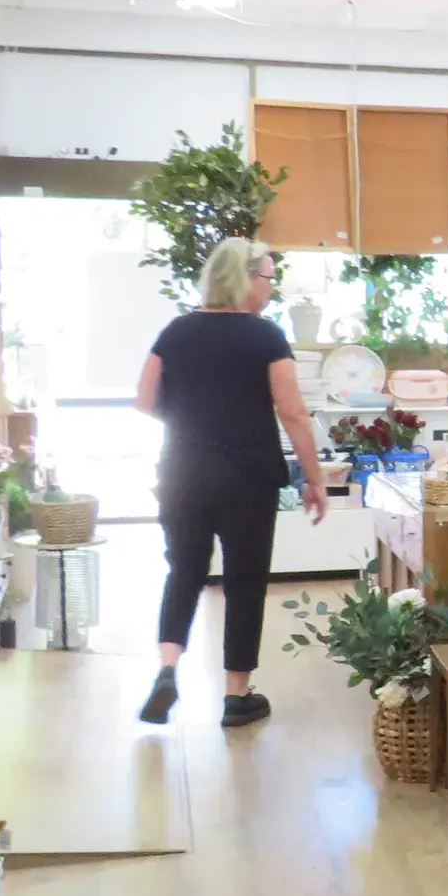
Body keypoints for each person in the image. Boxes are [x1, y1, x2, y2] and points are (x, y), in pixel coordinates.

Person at [133, 237, 327, 728]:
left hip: (182, 475)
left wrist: (187, 421)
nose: (269, 287)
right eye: (266, 276)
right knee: (244, 581)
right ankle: (236, 696)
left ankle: (167, 667)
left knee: (184, 570)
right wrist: (315, 477)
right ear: (243, 279)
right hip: (248, 480)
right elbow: (293, 414)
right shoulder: (264, 337)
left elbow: (144, 398)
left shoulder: (174, 332)